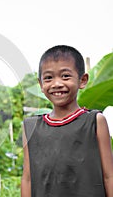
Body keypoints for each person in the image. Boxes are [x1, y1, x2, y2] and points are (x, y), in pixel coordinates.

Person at [21, 45, 113, 197]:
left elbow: (109, 175)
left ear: (82, 80)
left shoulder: (95, 121)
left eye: (65, 76)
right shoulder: (31, 127)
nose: (57, 84)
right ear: (41, 85)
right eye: (49, 78)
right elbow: (27, 178)